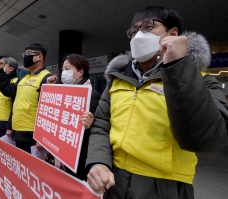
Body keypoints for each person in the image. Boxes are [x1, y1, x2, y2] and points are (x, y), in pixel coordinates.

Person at [86, 6, 228, 199]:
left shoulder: (199, 80)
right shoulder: (118, 79)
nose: (138, 36)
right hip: (114, 181)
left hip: (165, 188)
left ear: (173, 33)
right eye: (134, 31)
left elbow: (207, 138)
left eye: (147, 27)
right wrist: (98, 162)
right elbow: (101, 125)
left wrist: (177, 67)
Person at [46, 53, 101, 181]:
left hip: (77, 156)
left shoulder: (91, 95)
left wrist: (89, 125)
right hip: (61, 150)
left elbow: (97, 127)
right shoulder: (64, 91)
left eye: (67, 69)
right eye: (63, 69)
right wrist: (51, 88)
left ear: (80, 72)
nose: (63, 72)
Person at [0, 43, 53, 154]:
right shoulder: (24, 78)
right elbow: (11, 95)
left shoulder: (47, 78)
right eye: (25, 54)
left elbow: (49, 111)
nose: (26, 57)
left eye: (29, 53)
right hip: (17, 132)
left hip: (32, 134)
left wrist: (42, 136)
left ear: (40, 57)